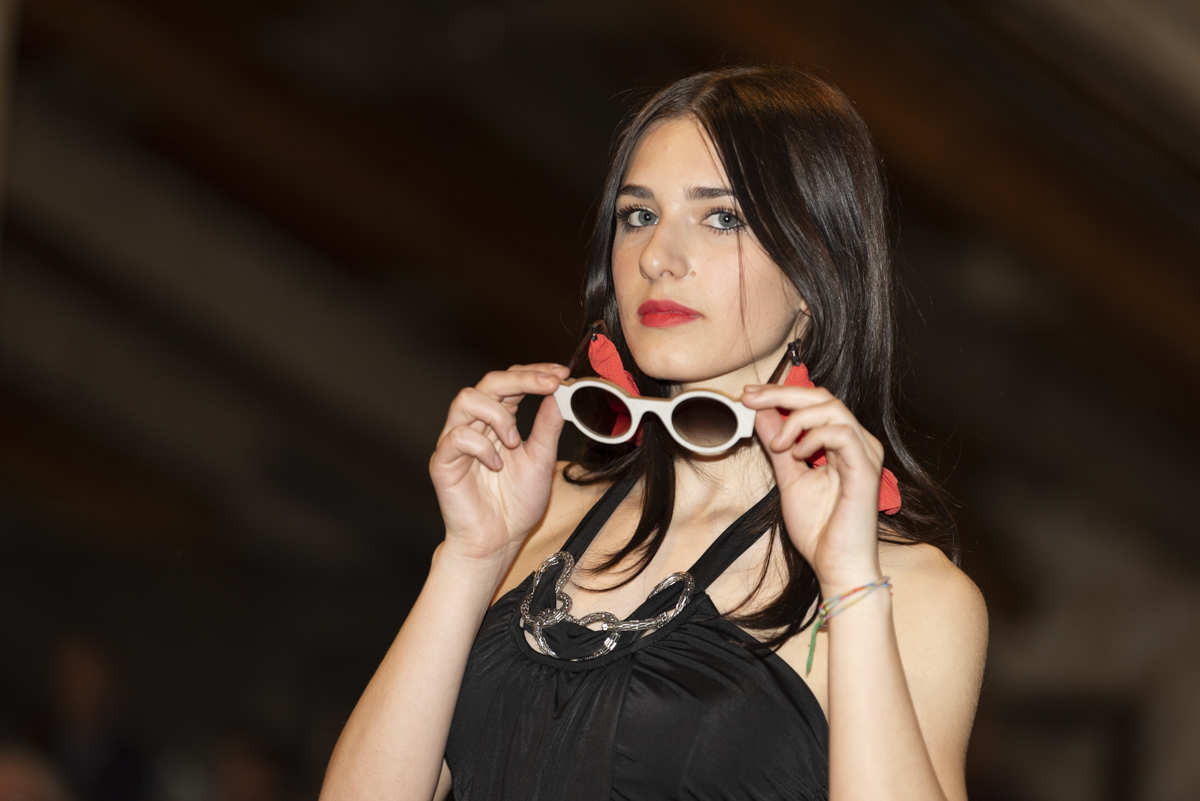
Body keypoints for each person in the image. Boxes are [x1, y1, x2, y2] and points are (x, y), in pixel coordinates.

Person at [318, 65, 988, 801]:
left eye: (722, 218)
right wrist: (469, 558)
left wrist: (851, 584)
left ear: (814, 272)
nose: (657, 257)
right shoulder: (534, 511)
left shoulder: (911, 590)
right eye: (638, 216)